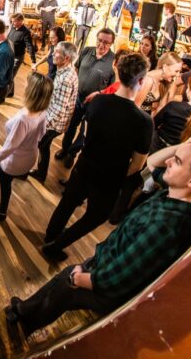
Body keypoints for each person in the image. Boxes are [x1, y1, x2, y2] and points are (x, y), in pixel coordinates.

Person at [7, 138, 191, 336]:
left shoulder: (167, 226)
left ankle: (26, 323)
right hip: (106, 261)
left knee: (65, 288)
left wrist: (79, 279)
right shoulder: (181, 195)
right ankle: (24, 309)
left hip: (108, 285)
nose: (168, 161)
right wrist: (183, 147)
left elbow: (117, 279)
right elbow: (152, 163)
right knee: (64, 277)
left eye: (177, 161)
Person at [42, 53, 153, 260]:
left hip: (85, 164)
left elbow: (88, 132)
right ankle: (56, 245)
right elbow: (137, 165)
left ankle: (51, 235)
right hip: (110, 177)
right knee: (96, 216)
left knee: (68, 202)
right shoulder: (144, 121)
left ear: (118, 72)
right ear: (141, 81)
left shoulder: (98, 101)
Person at [0, 72, 53, 220]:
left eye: (27, 85)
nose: (25, 87)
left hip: (15, 160)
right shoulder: (42, 111)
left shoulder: (23, 119)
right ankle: (2, 212)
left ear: (32, 92)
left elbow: (8, 149)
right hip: (30, 157)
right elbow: (41, 134)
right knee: (6, 180)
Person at [55, 28, 117, 168]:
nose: (102, 45)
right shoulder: (86, 51)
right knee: (70, 126)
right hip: (77, 98)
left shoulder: (113, 61)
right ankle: (65, 149)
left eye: (106, 43)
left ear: (111, 44)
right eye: (100, 40)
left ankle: (72, 154)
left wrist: (99, 94)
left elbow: (113, 87)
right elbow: (76, 69)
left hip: (95, 103)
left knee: (84, 132)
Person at [30, 42, 79, 184]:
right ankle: (41, 173)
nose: (52, 53)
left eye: (56, 52)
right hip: (55, 120)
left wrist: (43, 126)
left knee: (42, 145)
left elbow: (59, 110)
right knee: (43, 146)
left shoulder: (65, 79)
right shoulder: (65, 71)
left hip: (55, 124)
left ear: (66, 58)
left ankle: (40, 174)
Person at [7, 13, 36, 98]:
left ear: (21, 21)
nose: (13, 23)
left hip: (18, 57)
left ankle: (5, 94)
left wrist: (33, 61)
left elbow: (29, 46)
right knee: (9, 74)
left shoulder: (25, 32)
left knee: (10, 75)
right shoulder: (12, 28)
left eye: (14, 21)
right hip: (10, 55)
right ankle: (10, 92)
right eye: (12, 21)